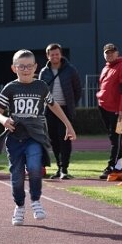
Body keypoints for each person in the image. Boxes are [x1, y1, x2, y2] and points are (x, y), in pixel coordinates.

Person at [0, 49, 76, 226]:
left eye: (29, 66)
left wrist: (68, 126)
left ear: (35, 67)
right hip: (15, 137)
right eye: (21, 66)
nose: (25, 69)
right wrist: (3, 119)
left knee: (34, 167)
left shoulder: (41, 86)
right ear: (14, 68)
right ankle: (20, 206)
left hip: (35, 136)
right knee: (16, 175)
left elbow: (54, 106)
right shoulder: (10, 88)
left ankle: (36, 200)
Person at [38, 43, 82, 179]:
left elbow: (78, 90)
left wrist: (71, 104)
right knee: (53, 140)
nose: (55, 56)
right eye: (52, 54)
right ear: (48, 56)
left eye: (57, 54)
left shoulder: (70, 70)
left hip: (65, 109)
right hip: (49, 110)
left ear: (61, 54)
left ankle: (64, 169)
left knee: (65, 139)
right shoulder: (43, 72)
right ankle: (58, 167)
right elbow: (40, 91)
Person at [96, 43, 122, 179]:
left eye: (112, 52)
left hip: (117, 110)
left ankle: (112, 166)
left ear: (117, 53)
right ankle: (118, 167)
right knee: (114, 137)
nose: (109, 54)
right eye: (107, 52)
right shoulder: (106, 68)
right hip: (104, 107)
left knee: (116, 138)